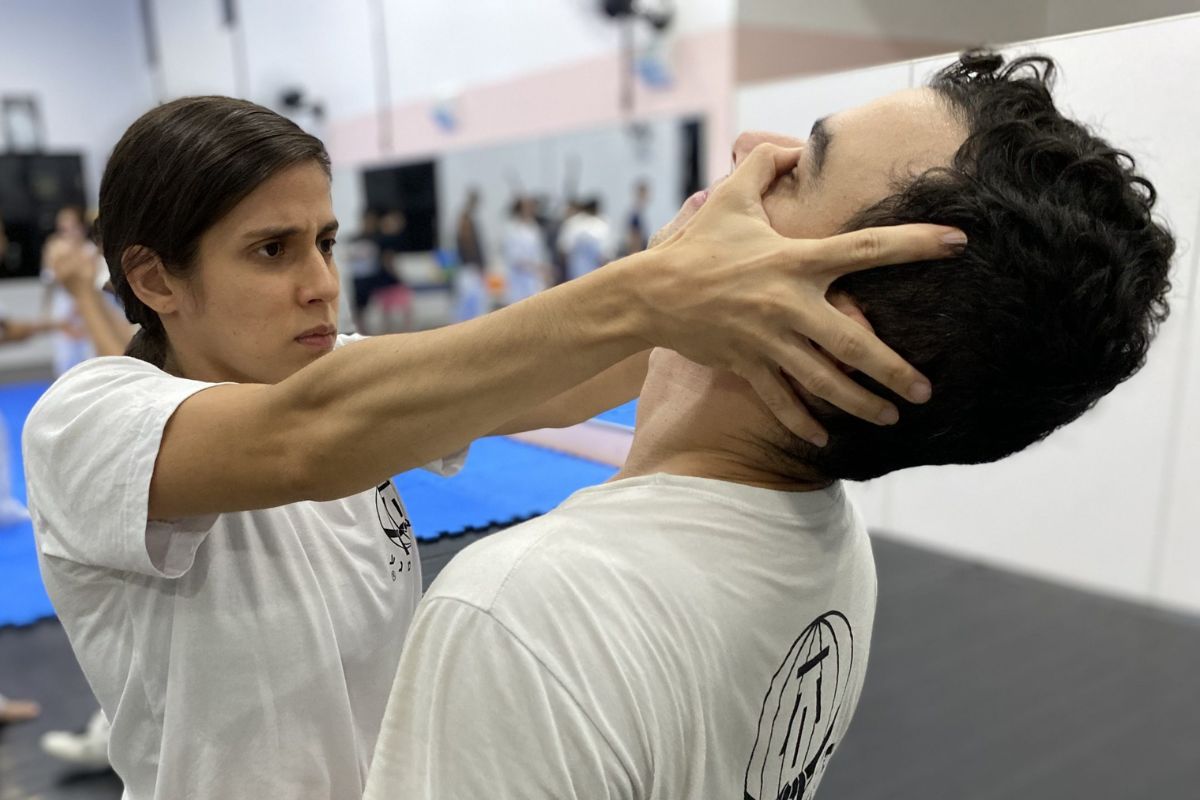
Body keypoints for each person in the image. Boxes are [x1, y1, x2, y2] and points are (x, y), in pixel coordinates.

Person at [22, 95, 954, 798]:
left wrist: (774, 254)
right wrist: (659, 290)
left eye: (326, 241)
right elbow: (305, 441)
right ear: (156, 279)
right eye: (273, 250)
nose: (320, 282)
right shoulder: (88, 421)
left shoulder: (341, 376)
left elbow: (563, 373)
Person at [363, 51, 1173, 799]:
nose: (751, 148)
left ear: (826, 333)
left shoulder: (525, 614)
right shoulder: (831, 544)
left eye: (802, 169)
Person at [501, 195, 549, 305]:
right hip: (519, 282)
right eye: (527, 207)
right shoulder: (511, 230)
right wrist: (536, 267)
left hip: (535, 281)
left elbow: (540, 253)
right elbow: (514, 258)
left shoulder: (534, 228)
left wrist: (545, 269)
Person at [558, 196, 612, 280]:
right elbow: (606, 254)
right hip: (592, 272)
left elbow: (564, 250)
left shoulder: (573, 223)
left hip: (577, 272)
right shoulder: (602, 224)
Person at [453, 188, 488, 320]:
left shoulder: (469, 220)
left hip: (471, 267)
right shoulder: (465, 220)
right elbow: (469, 247)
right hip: (468, 268)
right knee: (470, 303)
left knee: (476, 303)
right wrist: (477, 264)